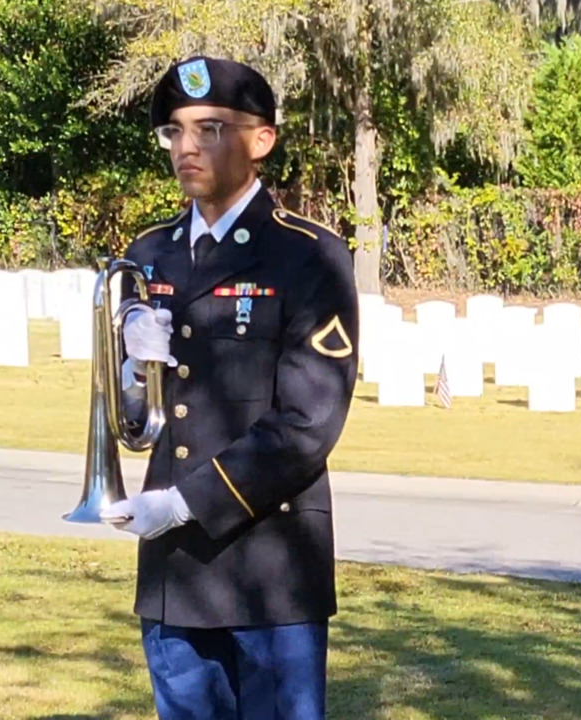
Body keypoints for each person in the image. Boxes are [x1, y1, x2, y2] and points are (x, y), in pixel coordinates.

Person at [100, 56, 360, 719]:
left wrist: (183, 504)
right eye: (175, 130)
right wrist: (132, 373)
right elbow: (140, 416)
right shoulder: (148, 254)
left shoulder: (309, 255)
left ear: (261, 140)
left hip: (269, 570)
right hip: (174, 573)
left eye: (211, 128)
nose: (187, 147)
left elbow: (307, 423)